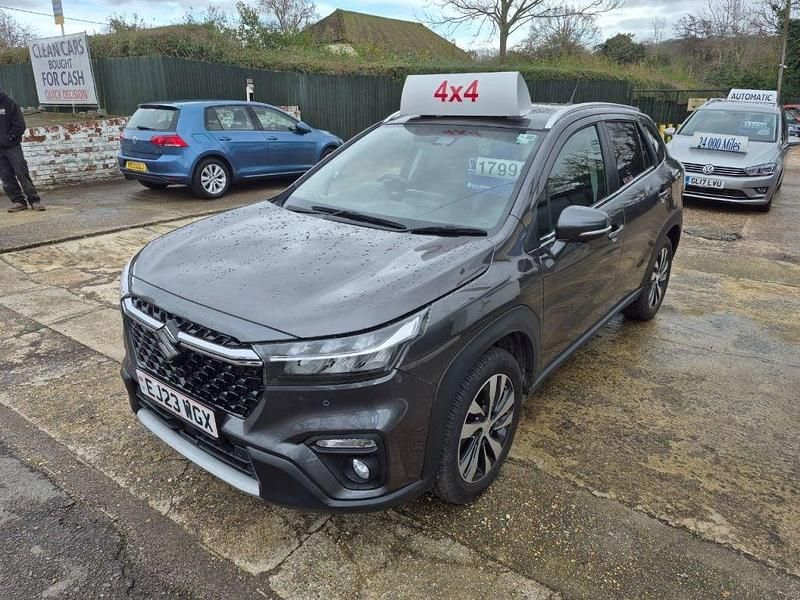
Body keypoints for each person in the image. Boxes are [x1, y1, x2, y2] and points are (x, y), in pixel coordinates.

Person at [0, 88, 43, 212]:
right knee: (6, 176)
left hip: (12, 147)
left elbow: (19, 124)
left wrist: (9, 138)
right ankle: (18, 201)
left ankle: (34, 200)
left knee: (21, 172)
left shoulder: (9, 103)